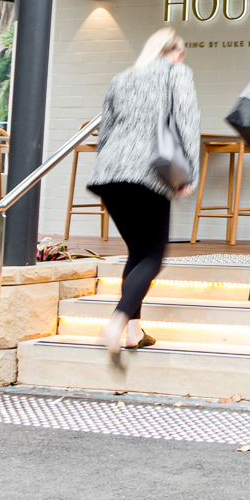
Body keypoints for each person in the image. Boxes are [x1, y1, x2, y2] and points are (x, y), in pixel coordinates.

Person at [88, 28, 201, 353]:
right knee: (153, 255)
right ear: (175, 52)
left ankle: (133, 331)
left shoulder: (122, 77)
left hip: (109, 173)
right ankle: (117, 322)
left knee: (137, 253)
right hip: (148, 173)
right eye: (180, 54)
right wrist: (188, 174)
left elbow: (106, 130)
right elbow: (187, 123)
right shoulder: (177, 72)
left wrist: (107, 166)